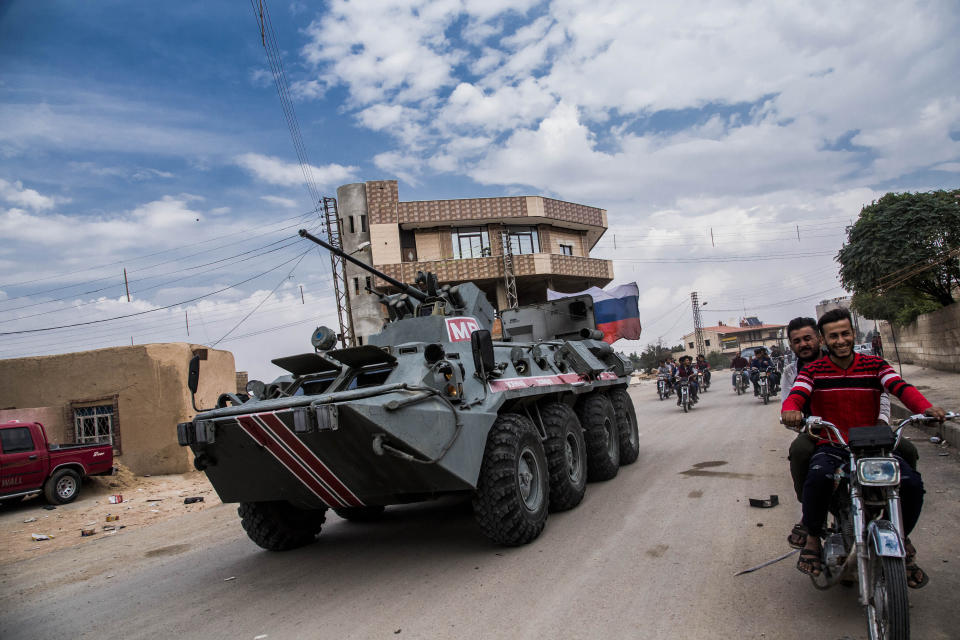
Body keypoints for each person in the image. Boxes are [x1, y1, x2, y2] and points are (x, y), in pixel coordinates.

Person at [781, 308, 946, 587]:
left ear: (853, 334)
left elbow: (899, 387)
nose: (841, 340)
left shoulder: (875, 365)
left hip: (874, 446)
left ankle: (901, 537)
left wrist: (926, 408)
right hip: (833, 444)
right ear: (825, 339)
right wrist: (791, 410)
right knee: (818, 478)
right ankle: (812, 536)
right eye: (834, 336)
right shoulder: (812, 370)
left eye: (845, 334)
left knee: (911, 484)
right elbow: (796, 394)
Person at [779, 317, 919, 548]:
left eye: (808, 338)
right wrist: (802, 423)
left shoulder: (860, 362)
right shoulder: (795, 371)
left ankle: (900, 524)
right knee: (801, 452)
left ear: (819, 339)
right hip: (822, 431)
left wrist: (882, 421)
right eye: (797, 341)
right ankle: (811, 515)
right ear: (791, 345)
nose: (804, 344)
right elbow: (789, 403)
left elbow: (885, 391)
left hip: (866, 429)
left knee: (907, 452)